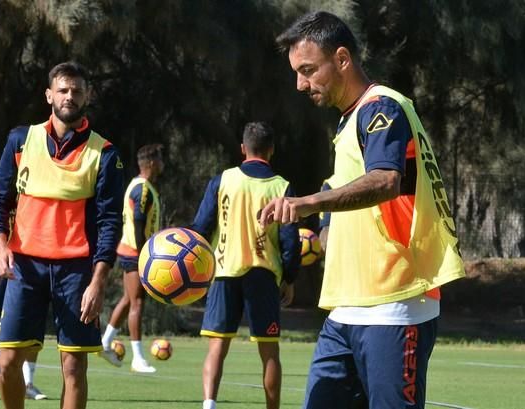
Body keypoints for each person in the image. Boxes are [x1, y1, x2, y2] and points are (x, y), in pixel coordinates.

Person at [259, 12, 466, 409]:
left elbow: (386, 180)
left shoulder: (381, 107)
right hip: (347, 308)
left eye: (307, 70)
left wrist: (307, 203)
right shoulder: (351, 120)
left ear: (341, 59)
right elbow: (350, 193)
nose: (300, 84)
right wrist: (324, 229)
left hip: (394, 303)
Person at [0, 61, 124, 409]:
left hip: (76, 272)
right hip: (25, 268)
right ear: (49, 95)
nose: (69, 96)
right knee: (6, 363)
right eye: (63, 90)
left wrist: (98, 282)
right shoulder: (21, 140)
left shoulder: (104, 153)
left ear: (87, 96)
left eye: (77, 90)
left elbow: (110, 223)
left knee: (74, 367)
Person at [191, 122, 301, 409]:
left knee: (217, 347)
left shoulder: (222, 180)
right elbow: (291, 241)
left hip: (225, 272)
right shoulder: (282, 187)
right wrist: (289, 277)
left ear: (243, 149)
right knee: (269, 352)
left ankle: (209, 405)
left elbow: (201, 228)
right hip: (263, 275)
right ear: (272, 150)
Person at [0, 171, 46, 401]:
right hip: (0, 262)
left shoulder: (39, 174)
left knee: (31, 327)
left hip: (28, 264)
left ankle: (29, 383)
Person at [99, 144, 165, 373]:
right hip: (135, 253)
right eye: (160, 159)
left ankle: (106, 341)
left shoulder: (143, 186)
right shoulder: (142, 189)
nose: (162, 163)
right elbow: (138, 222)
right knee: (137, 303)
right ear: (151, 163)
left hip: (131, 251)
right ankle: (137, 358)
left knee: (128, 300)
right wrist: (145, 254)